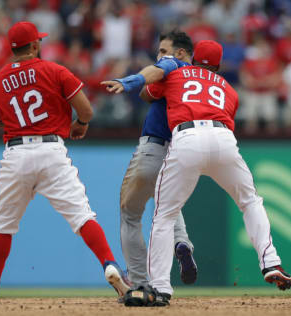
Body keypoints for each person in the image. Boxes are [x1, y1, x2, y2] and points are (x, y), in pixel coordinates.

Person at [0, 21, 129, 305]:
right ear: (34, 45)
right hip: (51, 151)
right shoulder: (54, 70)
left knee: (3, 224)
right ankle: (109, 264)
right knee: (82, 216)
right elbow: (86, 110)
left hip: (16, 154)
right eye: (39, 42)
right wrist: (80, 123)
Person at [139, 40, 291, 306]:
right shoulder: (229, 89)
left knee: (165, 215)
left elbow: (148, 93)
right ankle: (270, 263)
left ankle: (161, 288)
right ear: (219, 65)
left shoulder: (176, 73)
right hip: (223, 138)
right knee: (250, 202)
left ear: (193, 57)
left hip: (187, 137)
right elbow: (226, 114)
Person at [100, 30, 198, 298]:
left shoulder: (173, 66)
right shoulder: (201, 81)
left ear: (180, 53)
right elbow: (150, 93)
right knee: (167, 205)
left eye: (163, 51)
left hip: (154, 148)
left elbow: (149, 84)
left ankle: (140, 282)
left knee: (130, 214)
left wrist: (130, 81)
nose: (159, 57)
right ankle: (182, 242)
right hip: (184, 151)